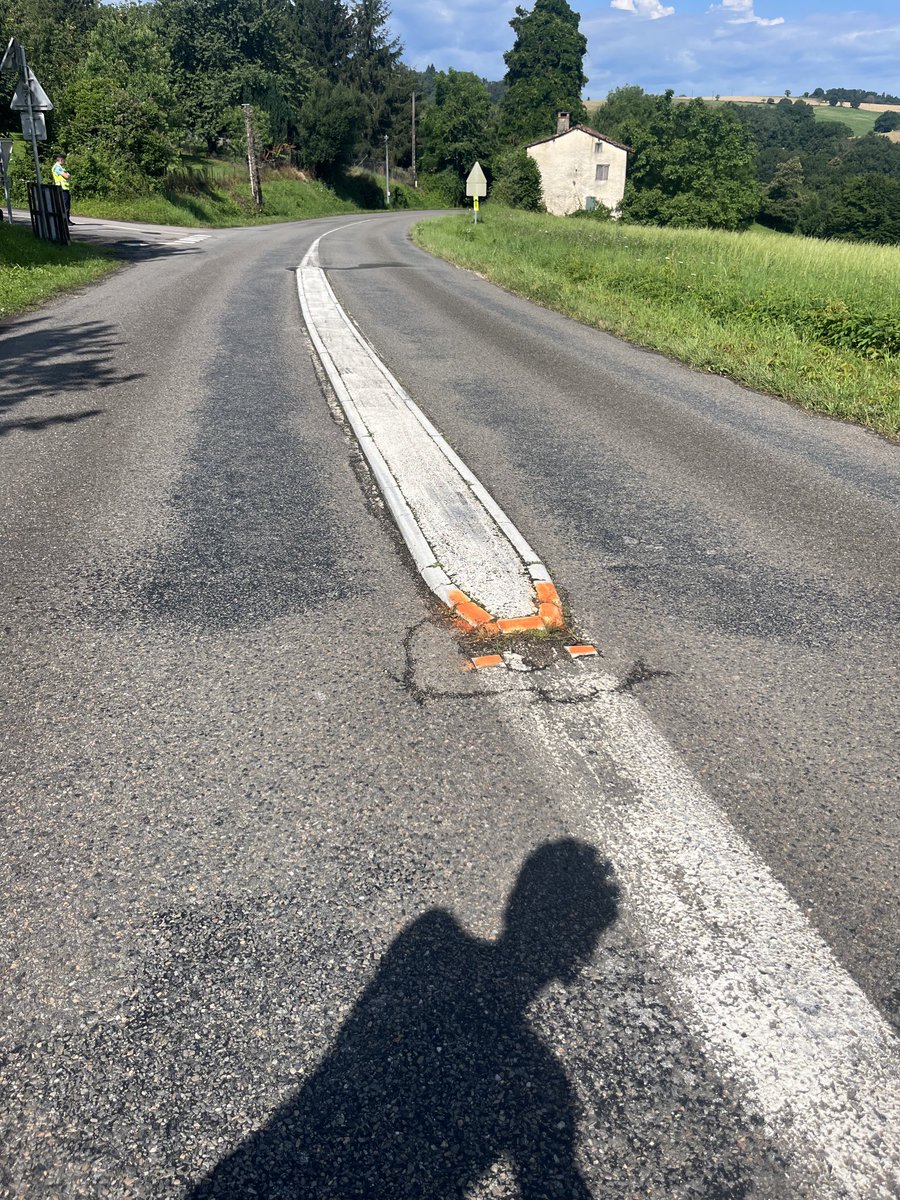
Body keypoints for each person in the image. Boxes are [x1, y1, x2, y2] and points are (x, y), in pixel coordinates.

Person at [188, 840, 620, 1199]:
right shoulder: (539, 1082)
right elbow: (551, 1181)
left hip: (262, 1175)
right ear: (577, 956)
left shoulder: (429, 941)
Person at [51, 153, 72, 224]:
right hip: (61, 188)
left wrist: (68, 175)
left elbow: (68, 176)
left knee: (67, 205)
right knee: (64, 205)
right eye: (64, 160)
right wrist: (67, 175)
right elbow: (66, 176)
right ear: (61, 160)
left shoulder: (60, 167)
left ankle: (67, 220)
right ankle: (65, 221)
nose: (65, 162)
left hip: (64, 188)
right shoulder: (57, 167)